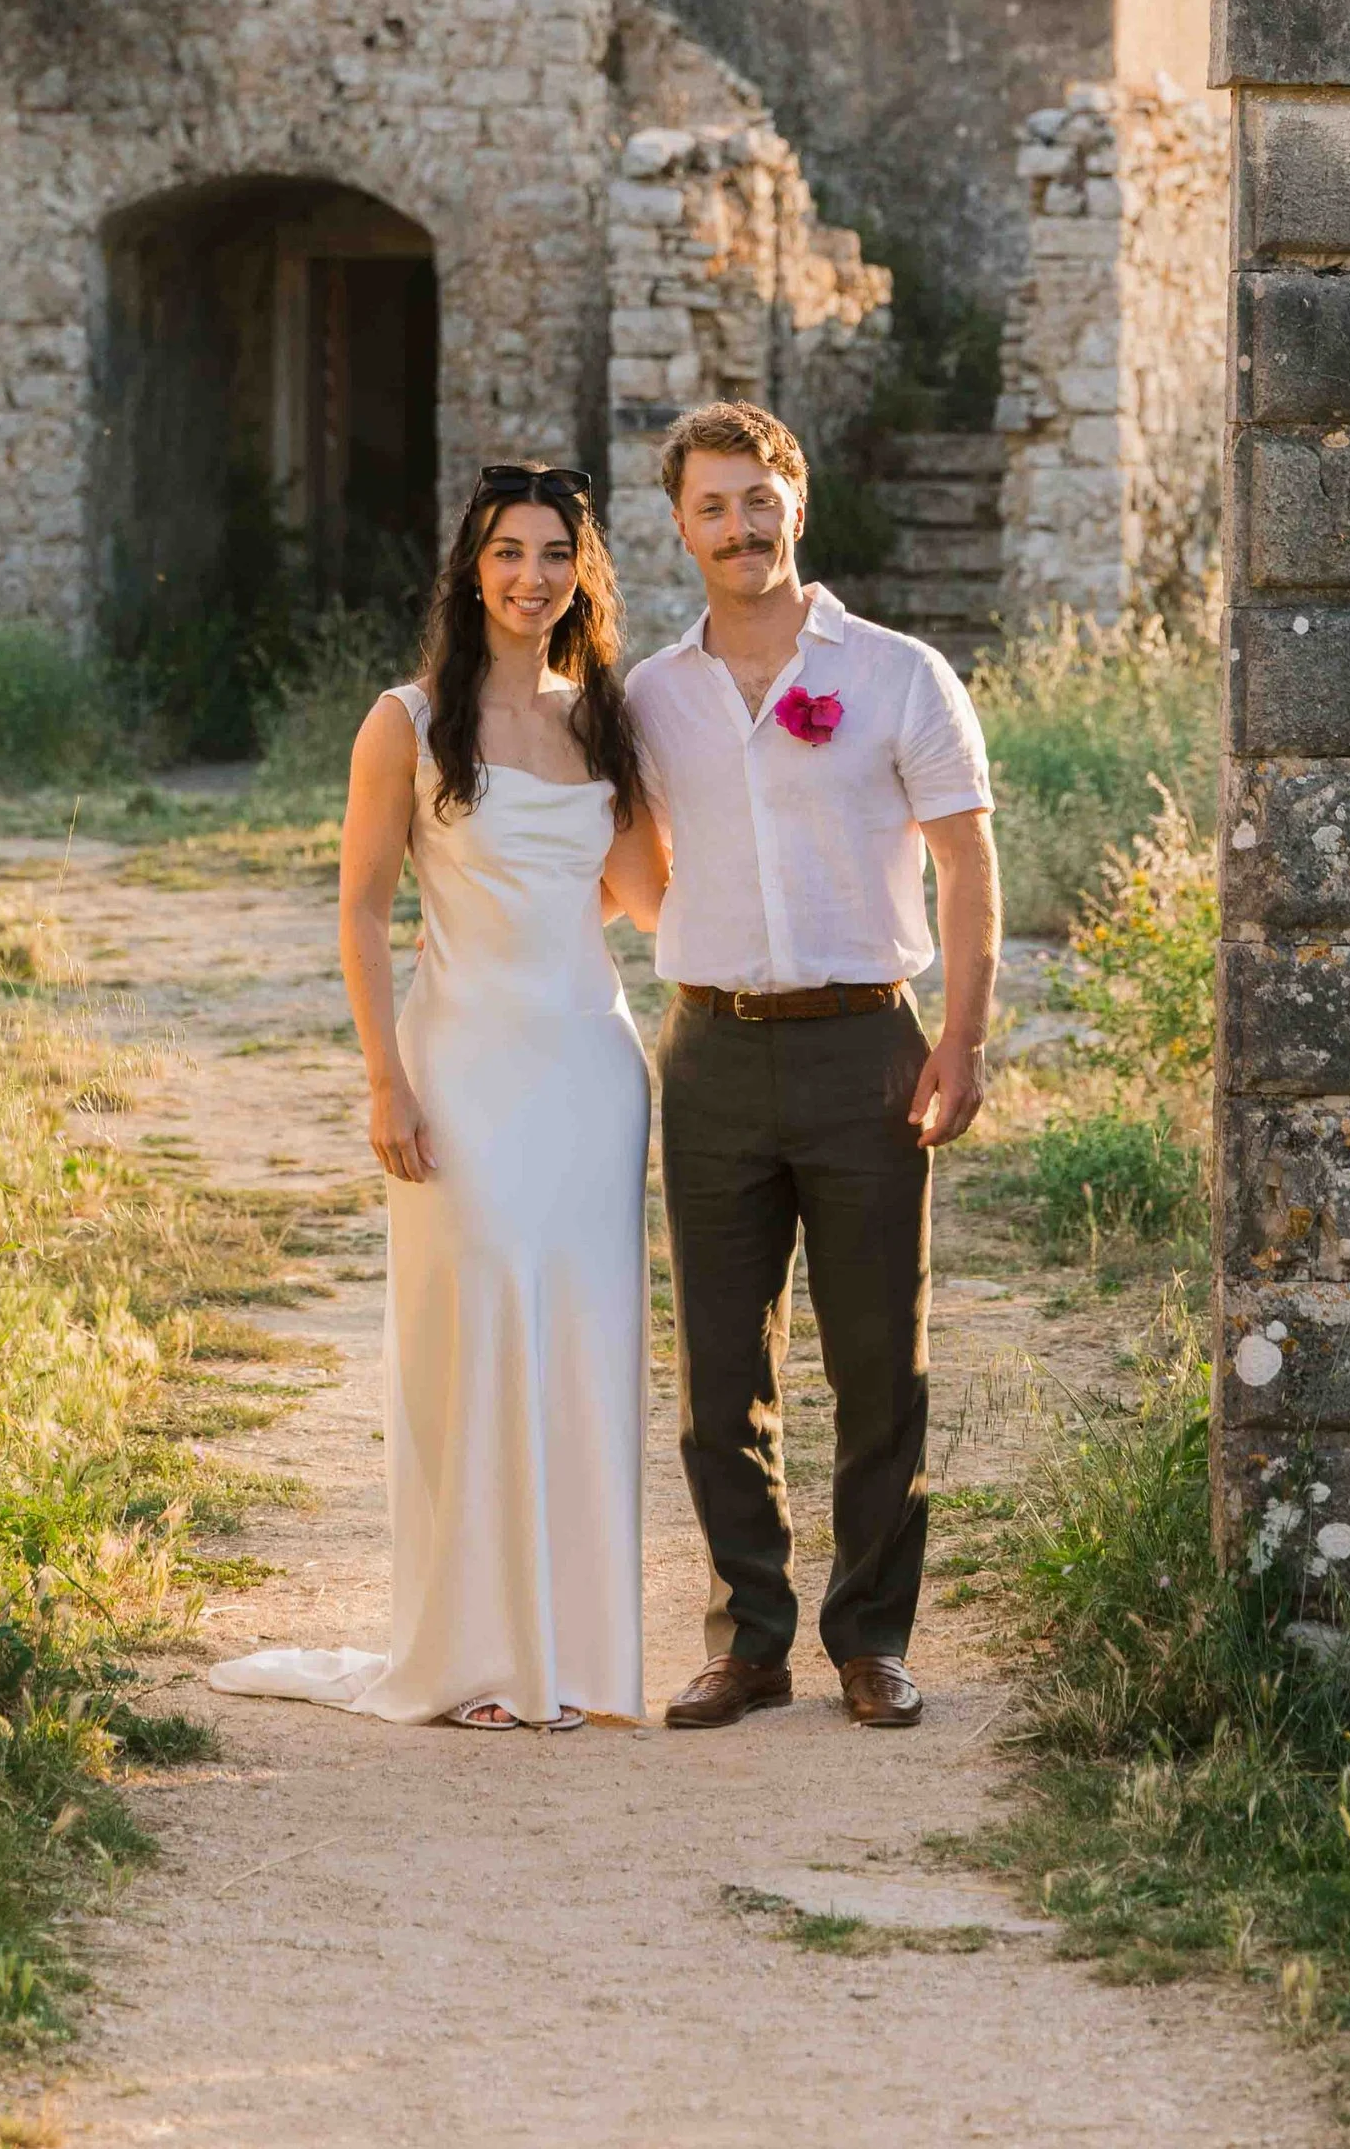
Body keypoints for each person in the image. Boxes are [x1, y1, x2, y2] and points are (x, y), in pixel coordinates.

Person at [209, 463, 666, 1731]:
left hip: (588, 1065)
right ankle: (470, 1655)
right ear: (472, 569)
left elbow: (649, 900)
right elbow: (359, 909)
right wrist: (384, 1081)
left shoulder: (605, 721)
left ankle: (568, 1660)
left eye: (555, 556)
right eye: (510, 553)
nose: (533, 577)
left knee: (582, 1342)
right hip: (460, 1064)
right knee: (472, 1337)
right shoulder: (404, 723)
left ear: (584, 573)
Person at [627, 399, 999, 1735]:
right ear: (680, 526)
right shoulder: (650, 693)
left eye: (759, 496)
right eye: (712, 505)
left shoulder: (899, 673)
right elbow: (619, 845)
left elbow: (963, 859)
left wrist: (958, 1038)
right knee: (721, 1368)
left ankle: (871, 1639)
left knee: (876, 1359)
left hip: (865, 1046)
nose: (740, 525)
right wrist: (681, 924)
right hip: (710, 1049)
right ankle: (748, 1639)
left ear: (799, 502)